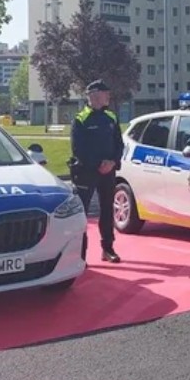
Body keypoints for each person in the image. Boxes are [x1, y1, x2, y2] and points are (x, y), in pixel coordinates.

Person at [70, 79, 124, 262]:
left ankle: (108, 249)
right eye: (105, 93)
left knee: (107, 209)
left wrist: (113, 162)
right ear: (94, 96)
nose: (108, 96)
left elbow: (119, 143)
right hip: (87, 172)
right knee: (82, 214)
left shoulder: (111, 117)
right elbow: (78, 150)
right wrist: (98, 164)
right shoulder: (81, 120)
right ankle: (80, 255)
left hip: (108, 172)